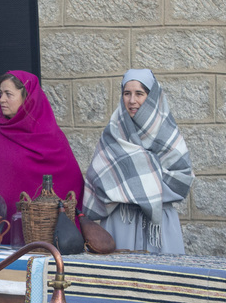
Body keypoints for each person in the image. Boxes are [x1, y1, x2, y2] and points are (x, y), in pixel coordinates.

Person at [83, 69, 193, 254]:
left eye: (139, 94)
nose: (132, 100)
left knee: (162, 279)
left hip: (158, 227)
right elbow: (97, 180)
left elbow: (181, 181)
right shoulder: (112, 134)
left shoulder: (168, 134)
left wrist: (133, 180)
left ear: (152, 97)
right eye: (127, 93)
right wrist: (148, 173)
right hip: (121, 224)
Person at [0, 70, 83, 245]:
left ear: (28, 97)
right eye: (0, 93)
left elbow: (71, 178)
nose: (1, 100)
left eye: (9, 94)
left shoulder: (50, 135)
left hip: (42, 235)